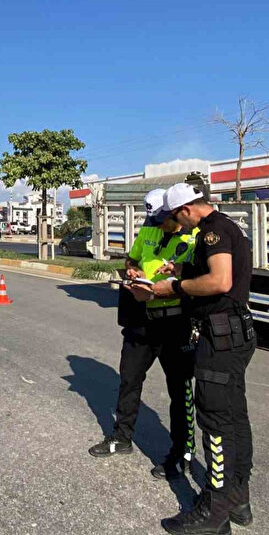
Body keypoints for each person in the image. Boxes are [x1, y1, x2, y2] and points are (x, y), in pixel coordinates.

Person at [148, 182, 256, 535]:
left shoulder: (212, 232)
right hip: (234, 333)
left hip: (221, 336)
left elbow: (221, 281)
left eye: (175, 217)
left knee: (215, 422)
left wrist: (175, 288)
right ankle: (238, 497)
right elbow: (214, 274)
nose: (177, 225)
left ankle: (214, 510)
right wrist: (180, 272)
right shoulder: (224, 225)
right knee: (234, 416)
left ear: (186, 210)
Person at [88, 189, 200, 483]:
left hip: (175, 321)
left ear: (176, 213)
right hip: (142, 319)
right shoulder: (149, 230)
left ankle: (183, 452)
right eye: (156, 218)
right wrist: (134, 272)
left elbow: (201, 279)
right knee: (129, 379)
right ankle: (121, 437)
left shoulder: (194, 237)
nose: (159, 223)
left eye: (164, 218)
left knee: (179, 389)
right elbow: (132, 259)